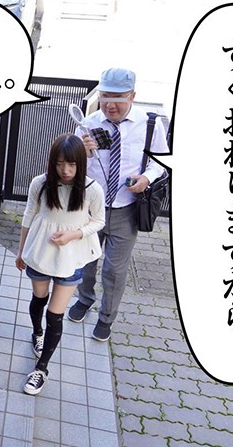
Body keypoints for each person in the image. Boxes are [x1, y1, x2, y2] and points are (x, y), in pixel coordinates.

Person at [68, 67, 169, 341]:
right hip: (91, 209)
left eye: (117, 98)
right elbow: (73, 167)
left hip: (127, 210)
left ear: (132, 96)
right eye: (105, 96)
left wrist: (146, 178)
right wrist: (81, 153)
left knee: (114, 269)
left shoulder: (149, 124)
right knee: (86, 261)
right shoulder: (88, 123)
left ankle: (106, 318)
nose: (109, 105)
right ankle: (84, 299)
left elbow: (160, 162)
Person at [15, 134, 106, 395]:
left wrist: (74, 234)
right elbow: (29, 215)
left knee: (55, 314)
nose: (65, 170)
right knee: (39, 299)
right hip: (41, 253)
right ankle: (37, 333)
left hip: (71, 257)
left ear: (81, 163)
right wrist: (21, 251)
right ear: (52, 162)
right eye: (60, 163)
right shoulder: (40, 183)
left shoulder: (92, 189)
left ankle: (41, 369)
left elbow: (99, 221)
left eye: (72, 164)